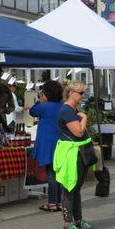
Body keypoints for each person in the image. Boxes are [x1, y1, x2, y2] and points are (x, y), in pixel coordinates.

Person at [53, 82, 94, 229]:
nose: (83, 96)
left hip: (78, 153)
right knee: (69, 188)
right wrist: (84, 118)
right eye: (80, 93)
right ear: (70, 93)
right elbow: (78, 132)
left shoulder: (73, 110)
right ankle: (67, 222)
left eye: (84, 92)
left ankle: (78, 220)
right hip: (71, 155)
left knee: (76, 189)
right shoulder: (67, 111)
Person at [29, 80, 64, 212]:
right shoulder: (62, 105)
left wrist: (40, 100)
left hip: (48, 146)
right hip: (61, 144)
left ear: (46, 94)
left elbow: (32, 111)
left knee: (51, 175)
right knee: (60, 174)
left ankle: (52, 203)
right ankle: (61, 202)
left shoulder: (44, 107)